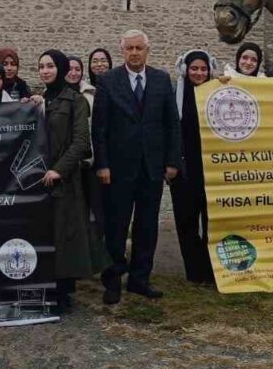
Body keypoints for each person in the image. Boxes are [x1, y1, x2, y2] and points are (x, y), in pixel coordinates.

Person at [91, 30, 181, 304]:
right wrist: (103, 165)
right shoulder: (108, 81)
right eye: (129, 48)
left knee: (147, 226)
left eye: (138, 48)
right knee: (116, 226)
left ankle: (140, 279)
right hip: (118, 169)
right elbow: (99, 128)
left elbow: (171, 125)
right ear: (122, 51)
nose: (134, 53)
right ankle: (113, 279)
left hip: (151, 168)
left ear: (147, 50)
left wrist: (172, 162)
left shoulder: (161, 79)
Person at [37, 50, 99, 310]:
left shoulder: (76, 100)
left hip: (64, 179)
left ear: (61, 69)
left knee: (66, 236)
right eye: (41, 66)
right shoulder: (40, 101)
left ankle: (63, 293)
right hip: (41, 179)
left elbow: (81, 142)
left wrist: (59, 170)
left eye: (50, 66)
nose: (45, 70)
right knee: (47, 234)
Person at [170, 50, 216, 285]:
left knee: (212, 222)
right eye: (194, 68)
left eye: (203, 69)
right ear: (185, 70)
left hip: (211, 169)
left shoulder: (218, 94)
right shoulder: (175, 96)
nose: (199, 73)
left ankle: (212, 269)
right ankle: (195, 270)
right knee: (186, 222)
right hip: (184, 169)